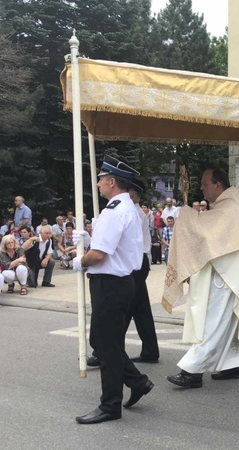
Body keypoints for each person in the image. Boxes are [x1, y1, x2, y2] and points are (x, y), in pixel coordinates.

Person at [72, 156, 154, 425]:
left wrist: (78, 260)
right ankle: (137, 381)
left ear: (111, 182)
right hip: (123, 282)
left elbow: (98, 255)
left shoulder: (113, 210)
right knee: (110, 344)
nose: (97, 184)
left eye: (100, 179)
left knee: (106, 348)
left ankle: (110, 405)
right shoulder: (129, 208)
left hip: (109, 283)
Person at [163, 167, 239, 389]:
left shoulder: (229, 208)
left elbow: (203, 232)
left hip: (223, 277)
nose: (201, 188)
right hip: (225, 274)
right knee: (227, 324)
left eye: (204, 184)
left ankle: (192, 372)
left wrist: (187, 216)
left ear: (218, 185)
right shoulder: (225, 207)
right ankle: (233, 365)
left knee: (212, 324)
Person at [125, 177, 160, 364]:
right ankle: (150, 350)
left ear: (131, 195)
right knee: (141, 310)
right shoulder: (136, 212)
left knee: (124, 308)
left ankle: (103, 350)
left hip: (135, 264)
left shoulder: (134, 214)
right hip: (138, 263)